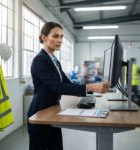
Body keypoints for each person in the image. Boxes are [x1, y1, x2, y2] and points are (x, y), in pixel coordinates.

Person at [27, 22, 110, 150]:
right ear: (44, 37)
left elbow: (67, 84)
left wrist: (94, 89)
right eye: (55, 36)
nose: (59, 40)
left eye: (61, 37)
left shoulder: (54, 60)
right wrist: (91, 87)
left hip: (52, 112)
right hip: (40, 114)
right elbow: (58, 87)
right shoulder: (40, 60)